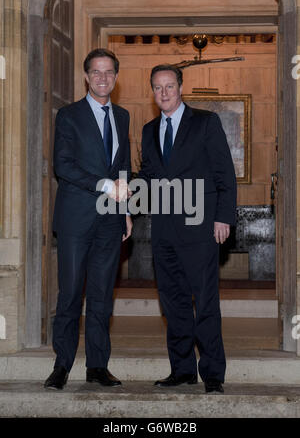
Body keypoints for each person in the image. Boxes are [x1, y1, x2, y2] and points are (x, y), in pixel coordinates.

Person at [139, 64, 236, 393]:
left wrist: (223, 217)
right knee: (174, 302)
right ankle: (181, 369)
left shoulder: (206, 123)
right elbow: (149, 177)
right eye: (157, 87)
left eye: (169, 86)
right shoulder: (148, 130)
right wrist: (123, 195)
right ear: (152, 92)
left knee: (205, 302)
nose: (163, 92)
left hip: (200, 228)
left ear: (181, 87)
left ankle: (212, 374)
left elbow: (224, 172)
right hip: (164, 231)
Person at [44, 48, 132, 390]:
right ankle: (61, 365)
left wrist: (126, 211)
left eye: (109, 72)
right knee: (69, 295)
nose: (102, 78)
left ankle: (97, 366)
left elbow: (122, 165)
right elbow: (62, 166)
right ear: (86, 76)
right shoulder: (68, 115)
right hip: (76, 219)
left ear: (115, 77)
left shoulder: (122, 116)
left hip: (111, 220)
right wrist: (105, 185)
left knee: (101, 296)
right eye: (96, 72)